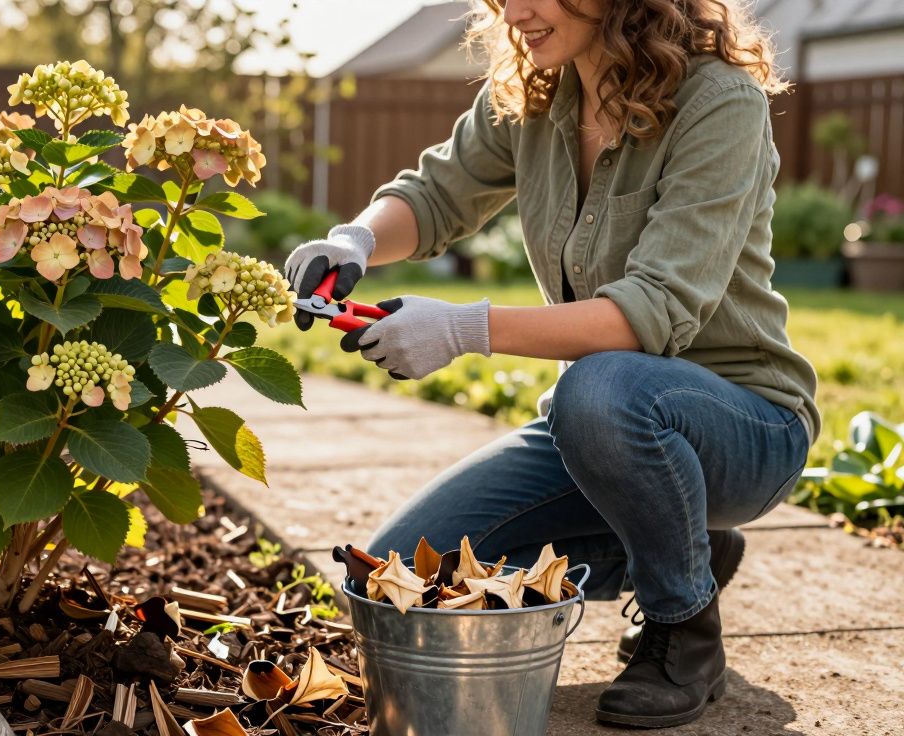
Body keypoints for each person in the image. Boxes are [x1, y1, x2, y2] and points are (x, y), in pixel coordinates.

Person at [284, 0, 818, 728]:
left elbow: (648, 313)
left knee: (600, 389)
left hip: (744, 427)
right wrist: (355, 242)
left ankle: (682, 628)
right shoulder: (539, 90)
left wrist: (463, 330)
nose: (518, 13)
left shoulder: (718, 100)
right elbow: (437, 193)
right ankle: (684, 546)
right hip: (603, 427)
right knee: (400, 570)